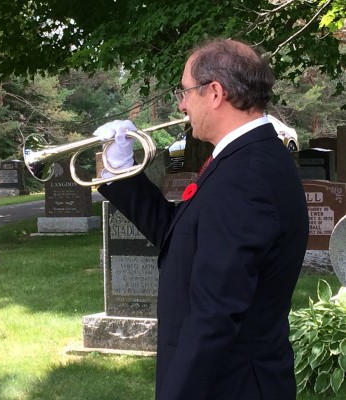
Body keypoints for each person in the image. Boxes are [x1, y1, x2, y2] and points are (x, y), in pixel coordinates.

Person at [94, 39, 309, 400]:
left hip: (228, 386)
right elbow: (178, 233)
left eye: (185, 91)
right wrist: (120, 170)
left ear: (214, 93)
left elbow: (214, 314)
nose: (181, 103)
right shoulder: (245, 159)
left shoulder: (246, 173)